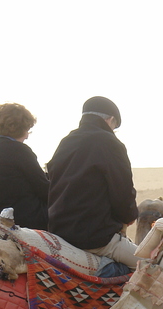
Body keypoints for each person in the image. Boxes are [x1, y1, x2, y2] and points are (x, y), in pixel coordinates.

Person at [46, 96, 140, 272]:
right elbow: (122, 190)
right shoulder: (109, 142)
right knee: (153, 265)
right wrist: (129, 215)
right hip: (95, 236)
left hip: (59, 232)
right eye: (114, 127)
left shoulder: (66, 141)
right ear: (110, 120)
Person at [0, 103, 49, 229]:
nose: (27, 135)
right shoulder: (19, 150)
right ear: (15, 127)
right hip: (22, 220)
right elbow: (45, 189)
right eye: (27, 130)